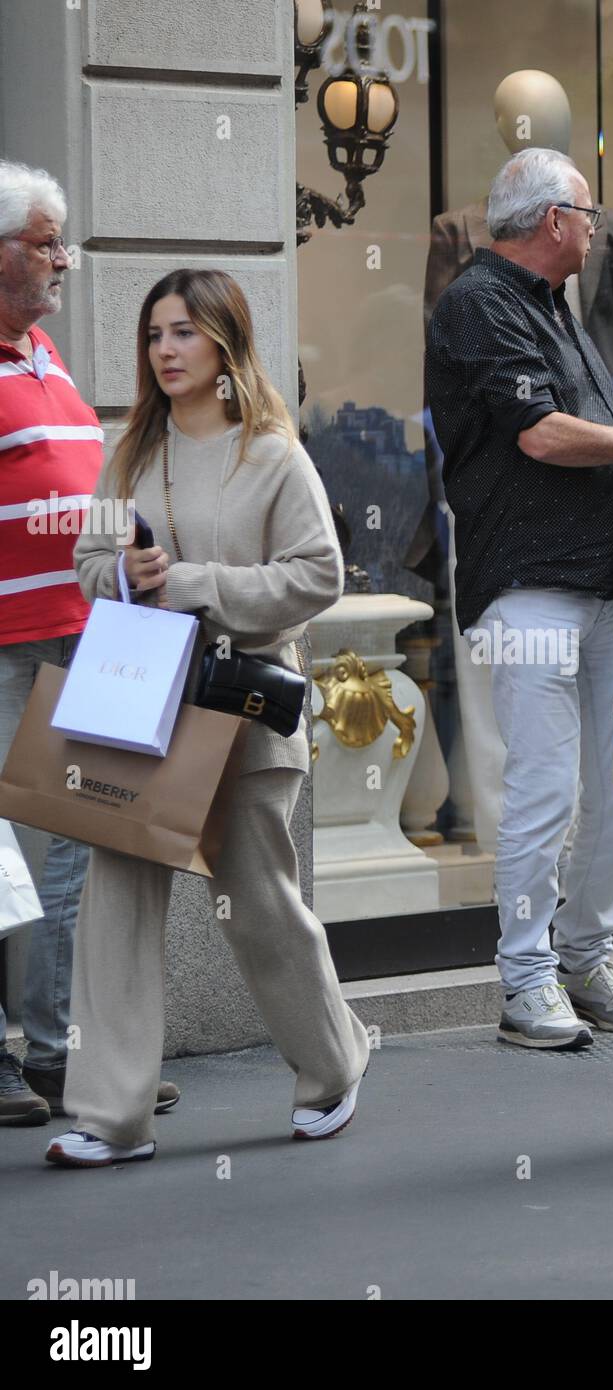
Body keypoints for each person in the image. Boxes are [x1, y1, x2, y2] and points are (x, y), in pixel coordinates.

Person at [45, 268, 371, 1166]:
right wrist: (124, 577)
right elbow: (88, 561)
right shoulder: (129, 452)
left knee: (255, 898)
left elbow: (318, 577)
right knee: (114, 892)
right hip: (143, 695)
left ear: (225, 343)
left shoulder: (272, 452)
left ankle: (333, 1064)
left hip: (244, 702)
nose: (166, 350)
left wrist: (196, 585)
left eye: (183, 332)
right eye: (155, 335)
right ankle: (110, 1116)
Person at [426, 148, 613, 1049]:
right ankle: (526, 976)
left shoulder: (551, 310)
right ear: (554, 220)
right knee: (546, 787)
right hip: (528, 587)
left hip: (604, 588)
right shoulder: (478, 302)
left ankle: (586, 956)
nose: (596, 229)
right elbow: (543, 438)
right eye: (588, 214)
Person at [0, 159, 179, 1126]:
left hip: (75, 634)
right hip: (5, 644)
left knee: (72, 850)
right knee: (2, 860)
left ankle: (61, 1054)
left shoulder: (45, 354)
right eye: (43, 242)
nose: (63, 259)